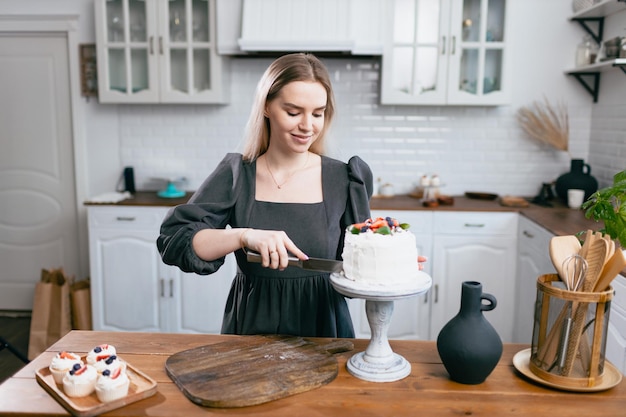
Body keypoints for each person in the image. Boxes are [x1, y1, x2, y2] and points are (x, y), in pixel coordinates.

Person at [157, 53, 424, 338]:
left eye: (318, 113)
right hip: (251, 329)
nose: (308, 125)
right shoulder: (237, 174)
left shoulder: (345, 179)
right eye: (294, 112)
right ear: (267, 107)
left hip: (323, 330)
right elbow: (176, 240)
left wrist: (392, 261)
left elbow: (356, 266)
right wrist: (243, 235)